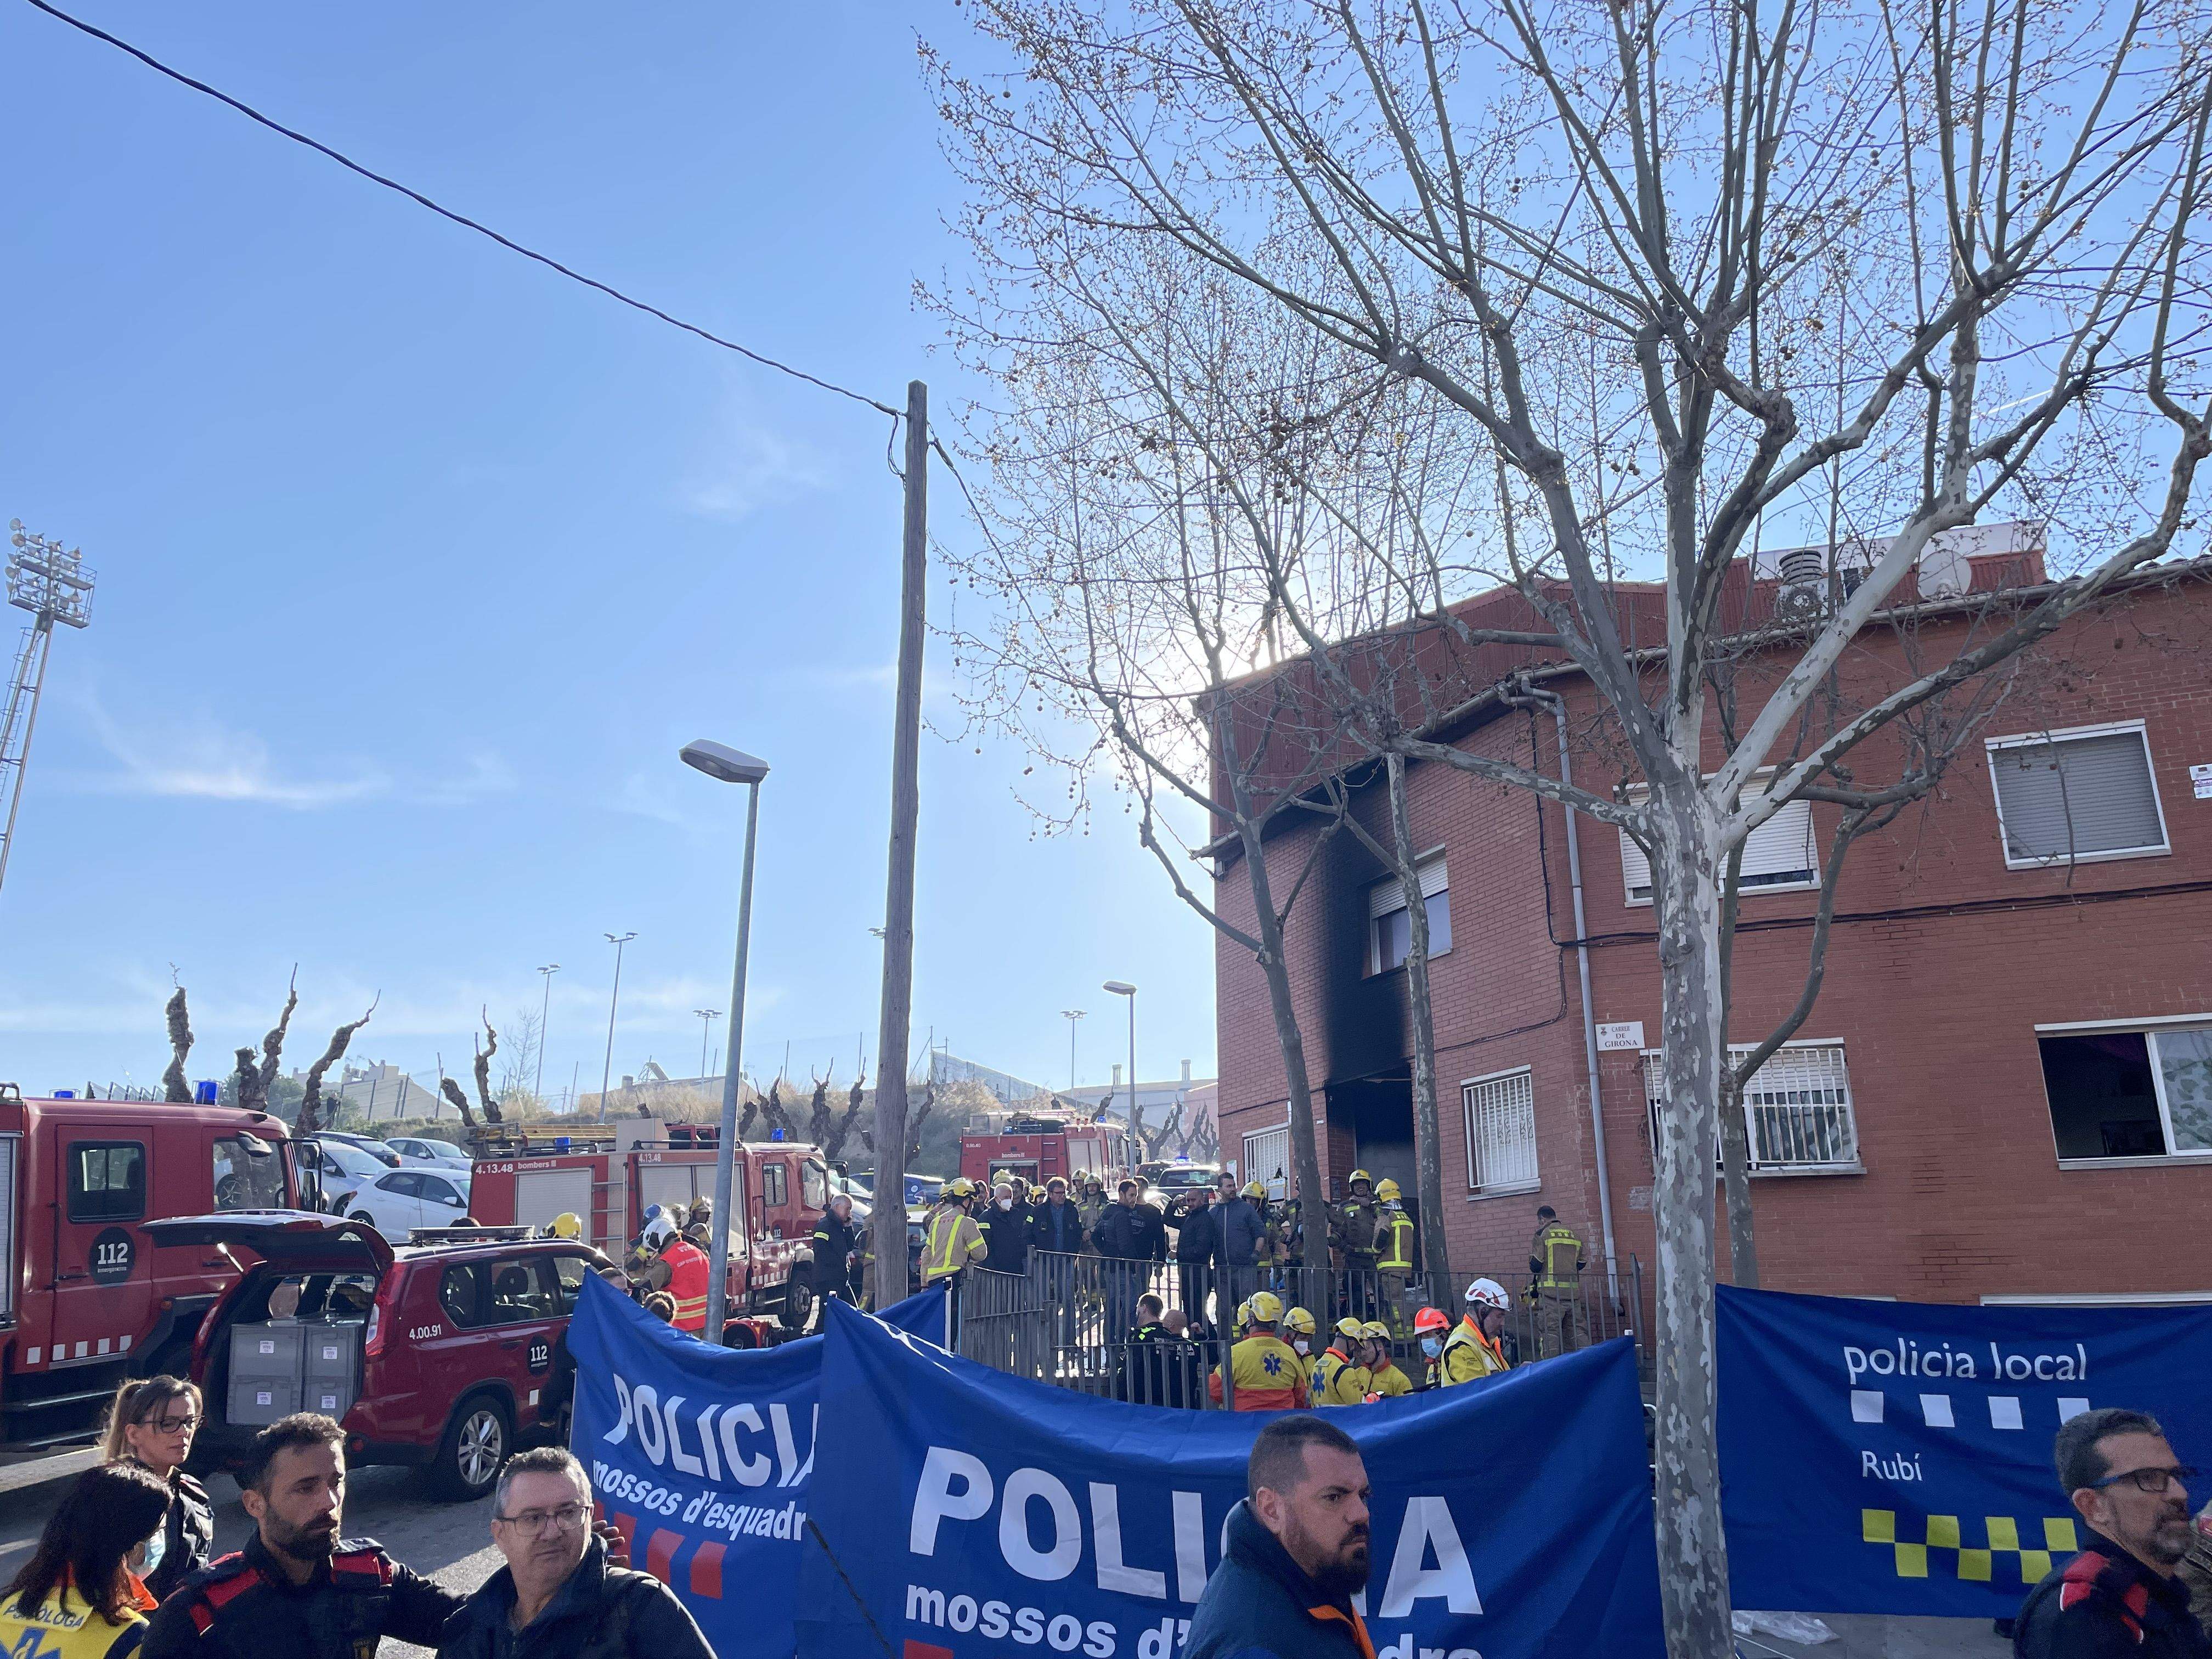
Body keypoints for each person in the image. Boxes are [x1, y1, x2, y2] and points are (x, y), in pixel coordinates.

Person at [140, 1414, 465, 1659]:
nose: (329, 1502)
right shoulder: (201, 1612)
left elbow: (478, 1621)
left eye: (336, 1482)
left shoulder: (368, 1576)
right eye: (306, 1487)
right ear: (256, 1503)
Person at [435, 1447, 712, 1659]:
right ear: (500, 1534)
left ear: (590, 1519)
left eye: (568, 1513)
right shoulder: (471, 1627)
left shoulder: (639, 1607)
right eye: (533, 1518)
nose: (553, 1531)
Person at [2015, 1408, 2210, 1659]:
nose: (2179, 1493)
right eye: (2148, 1478)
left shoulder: (2158, 1590)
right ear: (2092, 1506)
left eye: (2175, 1476)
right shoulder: (2084, 1615)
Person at [1183, 1415, 1374, 1659]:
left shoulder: (1310, 1573)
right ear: (1271, 1510)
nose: (1362, 1514)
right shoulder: (1254, 1645)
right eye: (1334, 1497)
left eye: (1363, 1495)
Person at [0, 1462, 171, 1659]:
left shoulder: (7, 1605)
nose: (159, 1540)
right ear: (130, 1543)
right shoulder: (131, 1639)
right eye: (157, 1531)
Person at [101, 1376, 214, 1602]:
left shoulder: (193, 1491)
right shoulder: (114, 1496)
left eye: (190, 1421)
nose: (184, 1432)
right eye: (168, 1423)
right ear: (134, 1434)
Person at [1093, 1178, 1166, 1343]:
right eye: (1132, 1195)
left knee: (1113, 1309)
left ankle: (1112, 1345)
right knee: (1131, 1308)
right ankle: (1128, 1343)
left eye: (1136, 1195)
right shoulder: (1122, 1215)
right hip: (1124, 1268)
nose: (1134, 1199)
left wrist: (1108, 1253)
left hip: (1112, 1267)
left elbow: (1095, 1235)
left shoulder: (1110, 1211)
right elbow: (1125, 1245)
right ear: (1121, 1194)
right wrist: (1132, 1262)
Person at [1208, 1291, 1309, 1412]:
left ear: (1250, 1320)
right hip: (1281, 1424)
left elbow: (1215, 1390)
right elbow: (1300, 1394)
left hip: (1246, 1424)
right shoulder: (1290, 1352)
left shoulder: (1237, 1352)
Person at [1527, 1205, 1585, 1357]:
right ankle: (1587, 1366)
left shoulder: (1543, 1235)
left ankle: (1550, 1372)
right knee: (1577, 1333)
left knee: (1550, 1335)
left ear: (1542, 1219)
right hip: (1573, 1295)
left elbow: (1536, 1265)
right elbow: (1582, 1263)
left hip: (1551, 1295)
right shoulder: (1574, 1235)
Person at [637, 1214, 709, 1335]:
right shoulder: (697, 1252)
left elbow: (646, 1285)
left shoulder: (668, 1261)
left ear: (660, 1238)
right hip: (707, 1325)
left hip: (683, 1329)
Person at [1437, 1279, 1513, 1386]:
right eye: (1499, 1316)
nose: (1503, 1323)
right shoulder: (1461, 1348)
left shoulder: (1487, 1340)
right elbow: (1479, 1396)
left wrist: (1519, 1375)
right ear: (1482, 1312)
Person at [1331, 1172, 1381, 1321]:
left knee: (1381, 1292)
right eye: (1357, 1184)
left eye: (1363, 1184)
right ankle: (1357, 1324)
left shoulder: (1377, 1204)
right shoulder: (1345, 1206)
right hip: (1353, 1258)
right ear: (1352, 1188)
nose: (1360, 1187)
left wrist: (1371, 1205)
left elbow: (1385, 1222)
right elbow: (1337, 1230)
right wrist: (1343, 1247)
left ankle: (1380, 1323)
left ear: (1369, 1186)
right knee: (1355, 1294)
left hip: (1375, 1259)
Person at [1215, 1182, 1268, 1318]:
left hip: (1255, 1269)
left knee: (1253, 1306)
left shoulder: (1267, 1219)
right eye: (1248, 1199)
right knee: (1228, 1309)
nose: (1250, 1203)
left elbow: (1272, 1241)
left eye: (1254, 1200)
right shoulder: (1223, 1212)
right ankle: (1230, 1338)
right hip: (1228, 1268)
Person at [1166, 1187, 1216, 1330]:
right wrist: (1174, 1204)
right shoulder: (1190, 1217)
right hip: (1188, 1273)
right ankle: (1197, 1344)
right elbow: (1168, 1219)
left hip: (1199, 1274)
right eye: (1188, 1200)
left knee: (1198, 1313)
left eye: (1193, 1200)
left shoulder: (1204, 1220)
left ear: (1202, 1200)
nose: (1190, 1203)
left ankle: (1206, 1343)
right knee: (1190, 1312)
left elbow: (1202, 1249)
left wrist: (1179, 1254)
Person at [1371, 1180, 1417, 1332]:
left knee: (1395, 1305)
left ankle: (1402, 1339)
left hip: (1390, 1268)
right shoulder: (1405, 1217)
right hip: (1403, 1269)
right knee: (1395, 1303)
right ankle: (1390, 1334)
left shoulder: (1386, 1216)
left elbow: (1381, 1237)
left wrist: (1375, 1251)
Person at [810, 1193, 861, 1307]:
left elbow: (849, 1247)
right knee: (827, 1312)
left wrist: (848, 1228)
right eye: (847, 1209)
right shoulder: (825, 1225)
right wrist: (838, 1265)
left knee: (850, 1310)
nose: (849, 1213)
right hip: (828, 1279)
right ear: (837, 1207)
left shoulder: (840, 1226)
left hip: (840, 1279)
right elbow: (820, 1251)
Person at [1308, 1319, 1372, 1407]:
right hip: (1342, 1420)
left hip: (1320, 1419)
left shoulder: (1316, 1365)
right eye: (1357, 1350)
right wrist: (1372, 1398)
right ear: (1352, 1344)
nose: (1357, 1356)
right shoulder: (1345, 1371)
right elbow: (1360, 1408)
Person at [979, 1181, 1031, 1277]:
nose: (1009, 1200)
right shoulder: (985, 1217)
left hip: (1015, 1269)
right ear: (996, 1199)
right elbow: (986, 1245)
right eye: (1005, 1198)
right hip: (994, 1270)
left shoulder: (1016, 1215)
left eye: (1010, 1197)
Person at [1362, 1322, 1413, 1398]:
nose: (1363, 1353)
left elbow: (1408, 1408)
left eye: (1367, 1347)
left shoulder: (1400, 1380)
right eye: (1361, 1347)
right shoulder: (1357, 1374)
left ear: (1380, 1346)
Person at [1412, 1306, 1451, 1389]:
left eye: (1428, 1335)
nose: (1425, 1340)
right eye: (1422, 1336)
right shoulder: (1432, 1368)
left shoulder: (1454, 1362)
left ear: (1443, 1336)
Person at [1283, 1306, 1319, 1385]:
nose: (1305, 1342)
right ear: (1291, 1333)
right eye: (1303, 1337)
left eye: (1308, 1338)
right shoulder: (1282, 1357)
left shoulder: (1309, 1357)